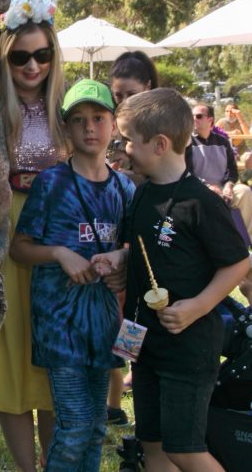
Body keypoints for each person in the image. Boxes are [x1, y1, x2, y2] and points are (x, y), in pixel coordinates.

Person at [93, 88, 251, 472]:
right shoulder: (142, 193)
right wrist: (119, 258)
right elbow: (144, 249)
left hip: (187, 347)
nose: (122, 147)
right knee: (154, 445)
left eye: (128, 139)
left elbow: (238, 264)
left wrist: (198, 306)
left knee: (184, 449)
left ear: (160, 144)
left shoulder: (201, 202)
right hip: (143, 340)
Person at [0, 1, 68, 471]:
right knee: (8, 355)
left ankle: (54, 461)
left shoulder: (70, 111)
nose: (32, 66)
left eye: (42, 56)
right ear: (3, 57)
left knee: (53, 359)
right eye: (20, 57)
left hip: (58, 235)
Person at [10, 79, 134, 471]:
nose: (89, 128)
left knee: (96, 425)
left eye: (98, 118)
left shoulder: (124, 188)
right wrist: (61, 254)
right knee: (76, 424)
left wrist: (119, 261)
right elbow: (19, 248)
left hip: (102, 322)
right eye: (78, 120)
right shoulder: (52, 182)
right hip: (60, 322)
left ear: (114, 124)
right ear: (66, 128)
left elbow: (134, 247)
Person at [106, 49, 160, 413]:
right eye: (118, 95)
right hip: (117, 233)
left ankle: (139, 380)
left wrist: (130, 177)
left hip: (153, 235)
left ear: (149, 87)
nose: (123, 101)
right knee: (120, 313)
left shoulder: (162, 126)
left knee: (141, 313)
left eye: (130, 93)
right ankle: (118, 391)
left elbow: (165, 178)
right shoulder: (111, 127)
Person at [186, 104, 252, 246]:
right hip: (199, 189)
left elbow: (232, 170)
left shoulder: (223, 142)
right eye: (192, 116)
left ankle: (250, 240)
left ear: (210, 120)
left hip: (224, 187)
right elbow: (187, 172)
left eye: (199, 116)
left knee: (244, 191)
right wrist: (208, 187)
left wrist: (229, 185)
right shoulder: (187, 144)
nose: (195, 119)